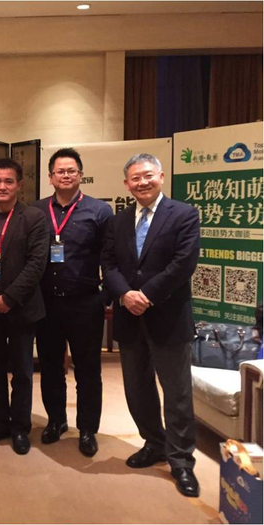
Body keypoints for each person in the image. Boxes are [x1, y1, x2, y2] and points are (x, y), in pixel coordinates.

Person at [102, 153, 201, 498]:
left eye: (148, 175)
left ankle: (181, 460)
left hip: (168, 317)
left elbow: (184, 263)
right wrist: (125, 294)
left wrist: (145, 294)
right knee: (137, 388)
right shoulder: (118, 220)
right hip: (129, 316)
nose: (142, 182)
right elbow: (108, 264)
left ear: (161, 176)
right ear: (126, 184)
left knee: (176, 392)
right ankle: (154, 443)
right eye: (135, 178)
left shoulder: (184, 214)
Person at [32, 148, 113, 457]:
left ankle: (88, 429)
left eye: (71, 171)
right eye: (59, 171)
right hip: (47, 303)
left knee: (88, 370)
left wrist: (104, 297)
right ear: (50, 177)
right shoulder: (37, 211)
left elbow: (110, 256)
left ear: (80, 174)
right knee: (51, 366)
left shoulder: (99, 211)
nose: (65, 175)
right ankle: (56, 421)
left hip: (85, 303)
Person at [0, 158, 48, 455]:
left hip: (22, 308)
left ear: (19, 184)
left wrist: (9, 298)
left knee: (23, 372)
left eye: (8, 181)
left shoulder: (34, 218)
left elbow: (37, 263)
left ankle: (20, 428)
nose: (2, 186)